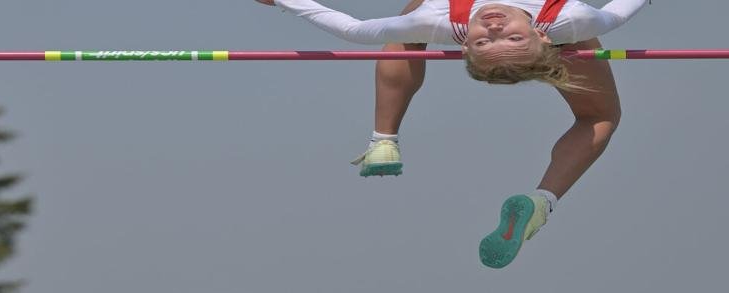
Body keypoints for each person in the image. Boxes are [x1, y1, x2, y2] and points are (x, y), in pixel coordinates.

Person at [257, 0, 648, 268]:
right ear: (543, 38)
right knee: (600, 116)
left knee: (411, 23)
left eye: (484, 41)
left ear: (463, 48)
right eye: (509, 38)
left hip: (448, 17)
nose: (495, 28)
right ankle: (542, 202)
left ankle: (384, 140)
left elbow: (355, 30)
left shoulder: (444, 22)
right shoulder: (569, 21)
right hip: (554, 26)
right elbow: (622, 9)